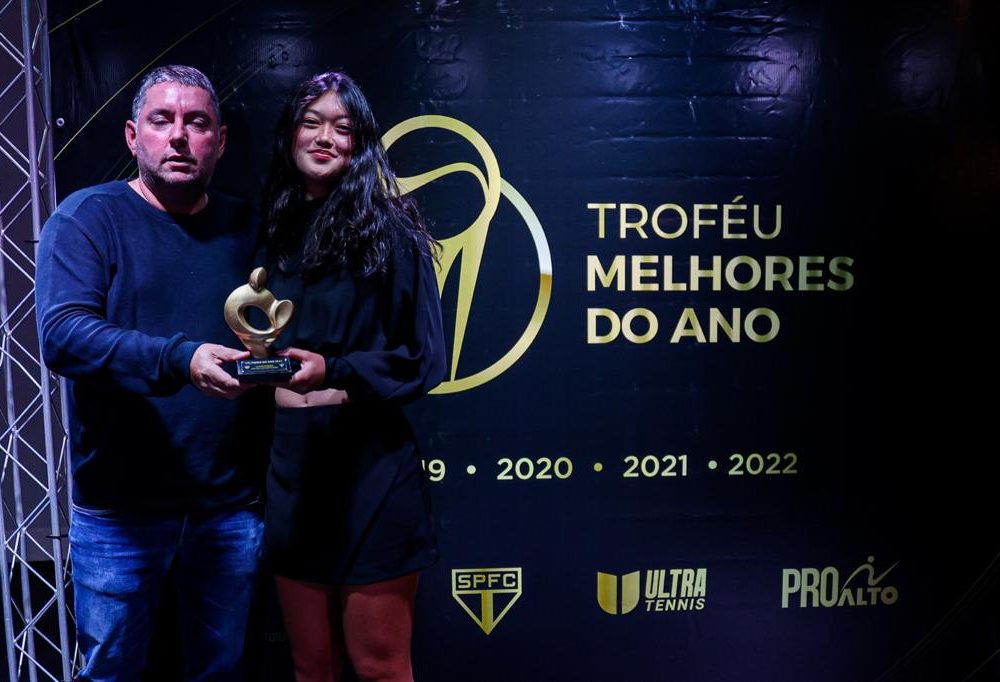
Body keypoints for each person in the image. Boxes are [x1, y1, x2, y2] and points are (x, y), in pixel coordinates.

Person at [35, 65, 271, 681]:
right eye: (162, 120)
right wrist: (180, 358)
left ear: (220, 140)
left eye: (197, 123)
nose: (179, 136)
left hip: (227, 507)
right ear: (132, 135)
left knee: (220, 671)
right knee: (111, 672)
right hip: (118, 511)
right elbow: (63, 335)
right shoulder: (87, 218)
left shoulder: (247, 228)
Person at [258, 71, 446, 682]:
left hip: (368, 466)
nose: (324, 138)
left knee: (380, 666)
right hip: (292, 468)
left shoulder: (394, 229)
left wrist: (333, 369)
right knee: (311, 668)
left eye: (342, 128)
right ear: (290, 132)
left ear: (361, 142)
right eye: (311, 122)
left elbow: (424, 360)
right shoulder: (274, 227)